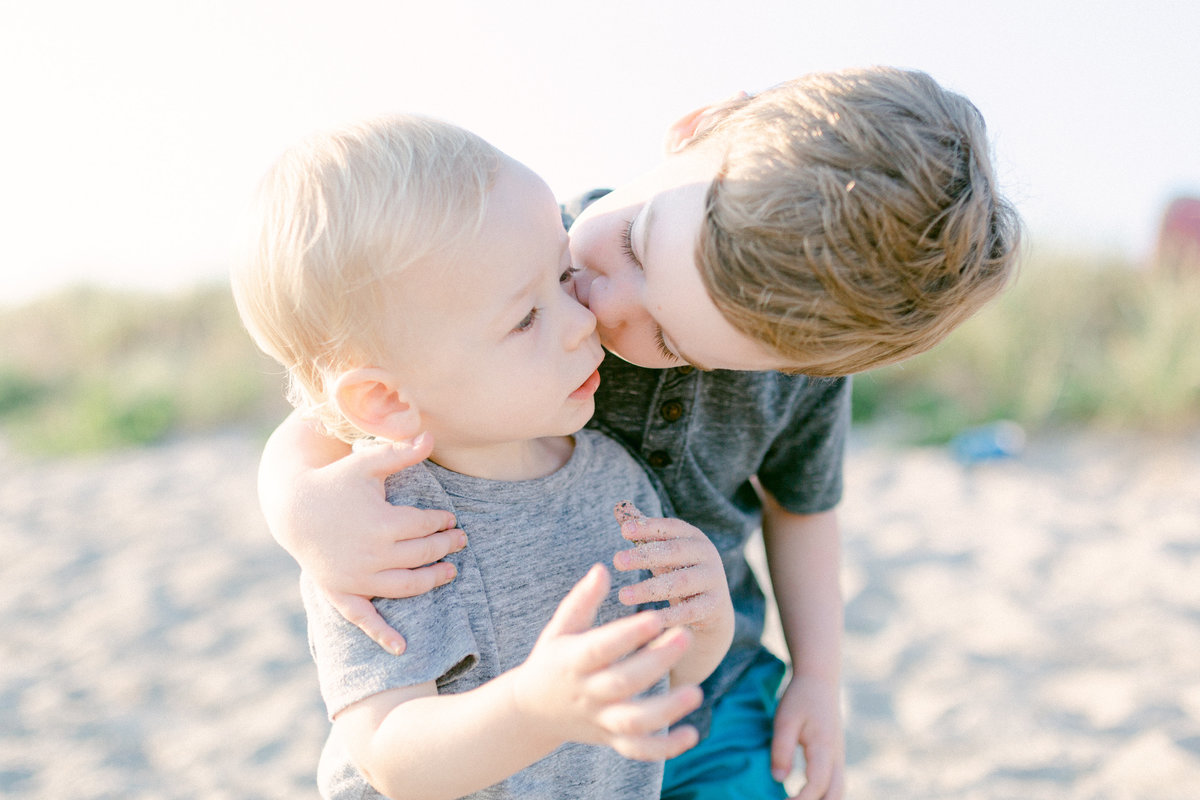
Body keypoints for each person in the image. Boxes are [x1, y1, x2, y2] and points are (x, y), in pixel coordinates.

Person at [257, 67, 1022, 800]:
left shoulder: (792, 369)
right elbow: (349, 393)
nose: (599, 307)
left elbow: (803, 507)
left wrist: (817, 679)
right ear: (693, 130)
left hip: (703, 661)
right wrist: (298, 505)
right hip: (500, 692)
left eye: (671, 338)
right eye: (631, 245)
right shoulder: (516, 251)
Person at [232, 114, 735, 800]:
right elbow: (390, 756)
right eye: (525, 318)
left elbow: (656, 681)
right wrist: (533, 707)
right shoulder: (385, 529)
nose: (582, 319)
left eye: (562, 276)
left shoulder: (614, 477)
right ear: (385, 399)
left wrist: (705, 625)